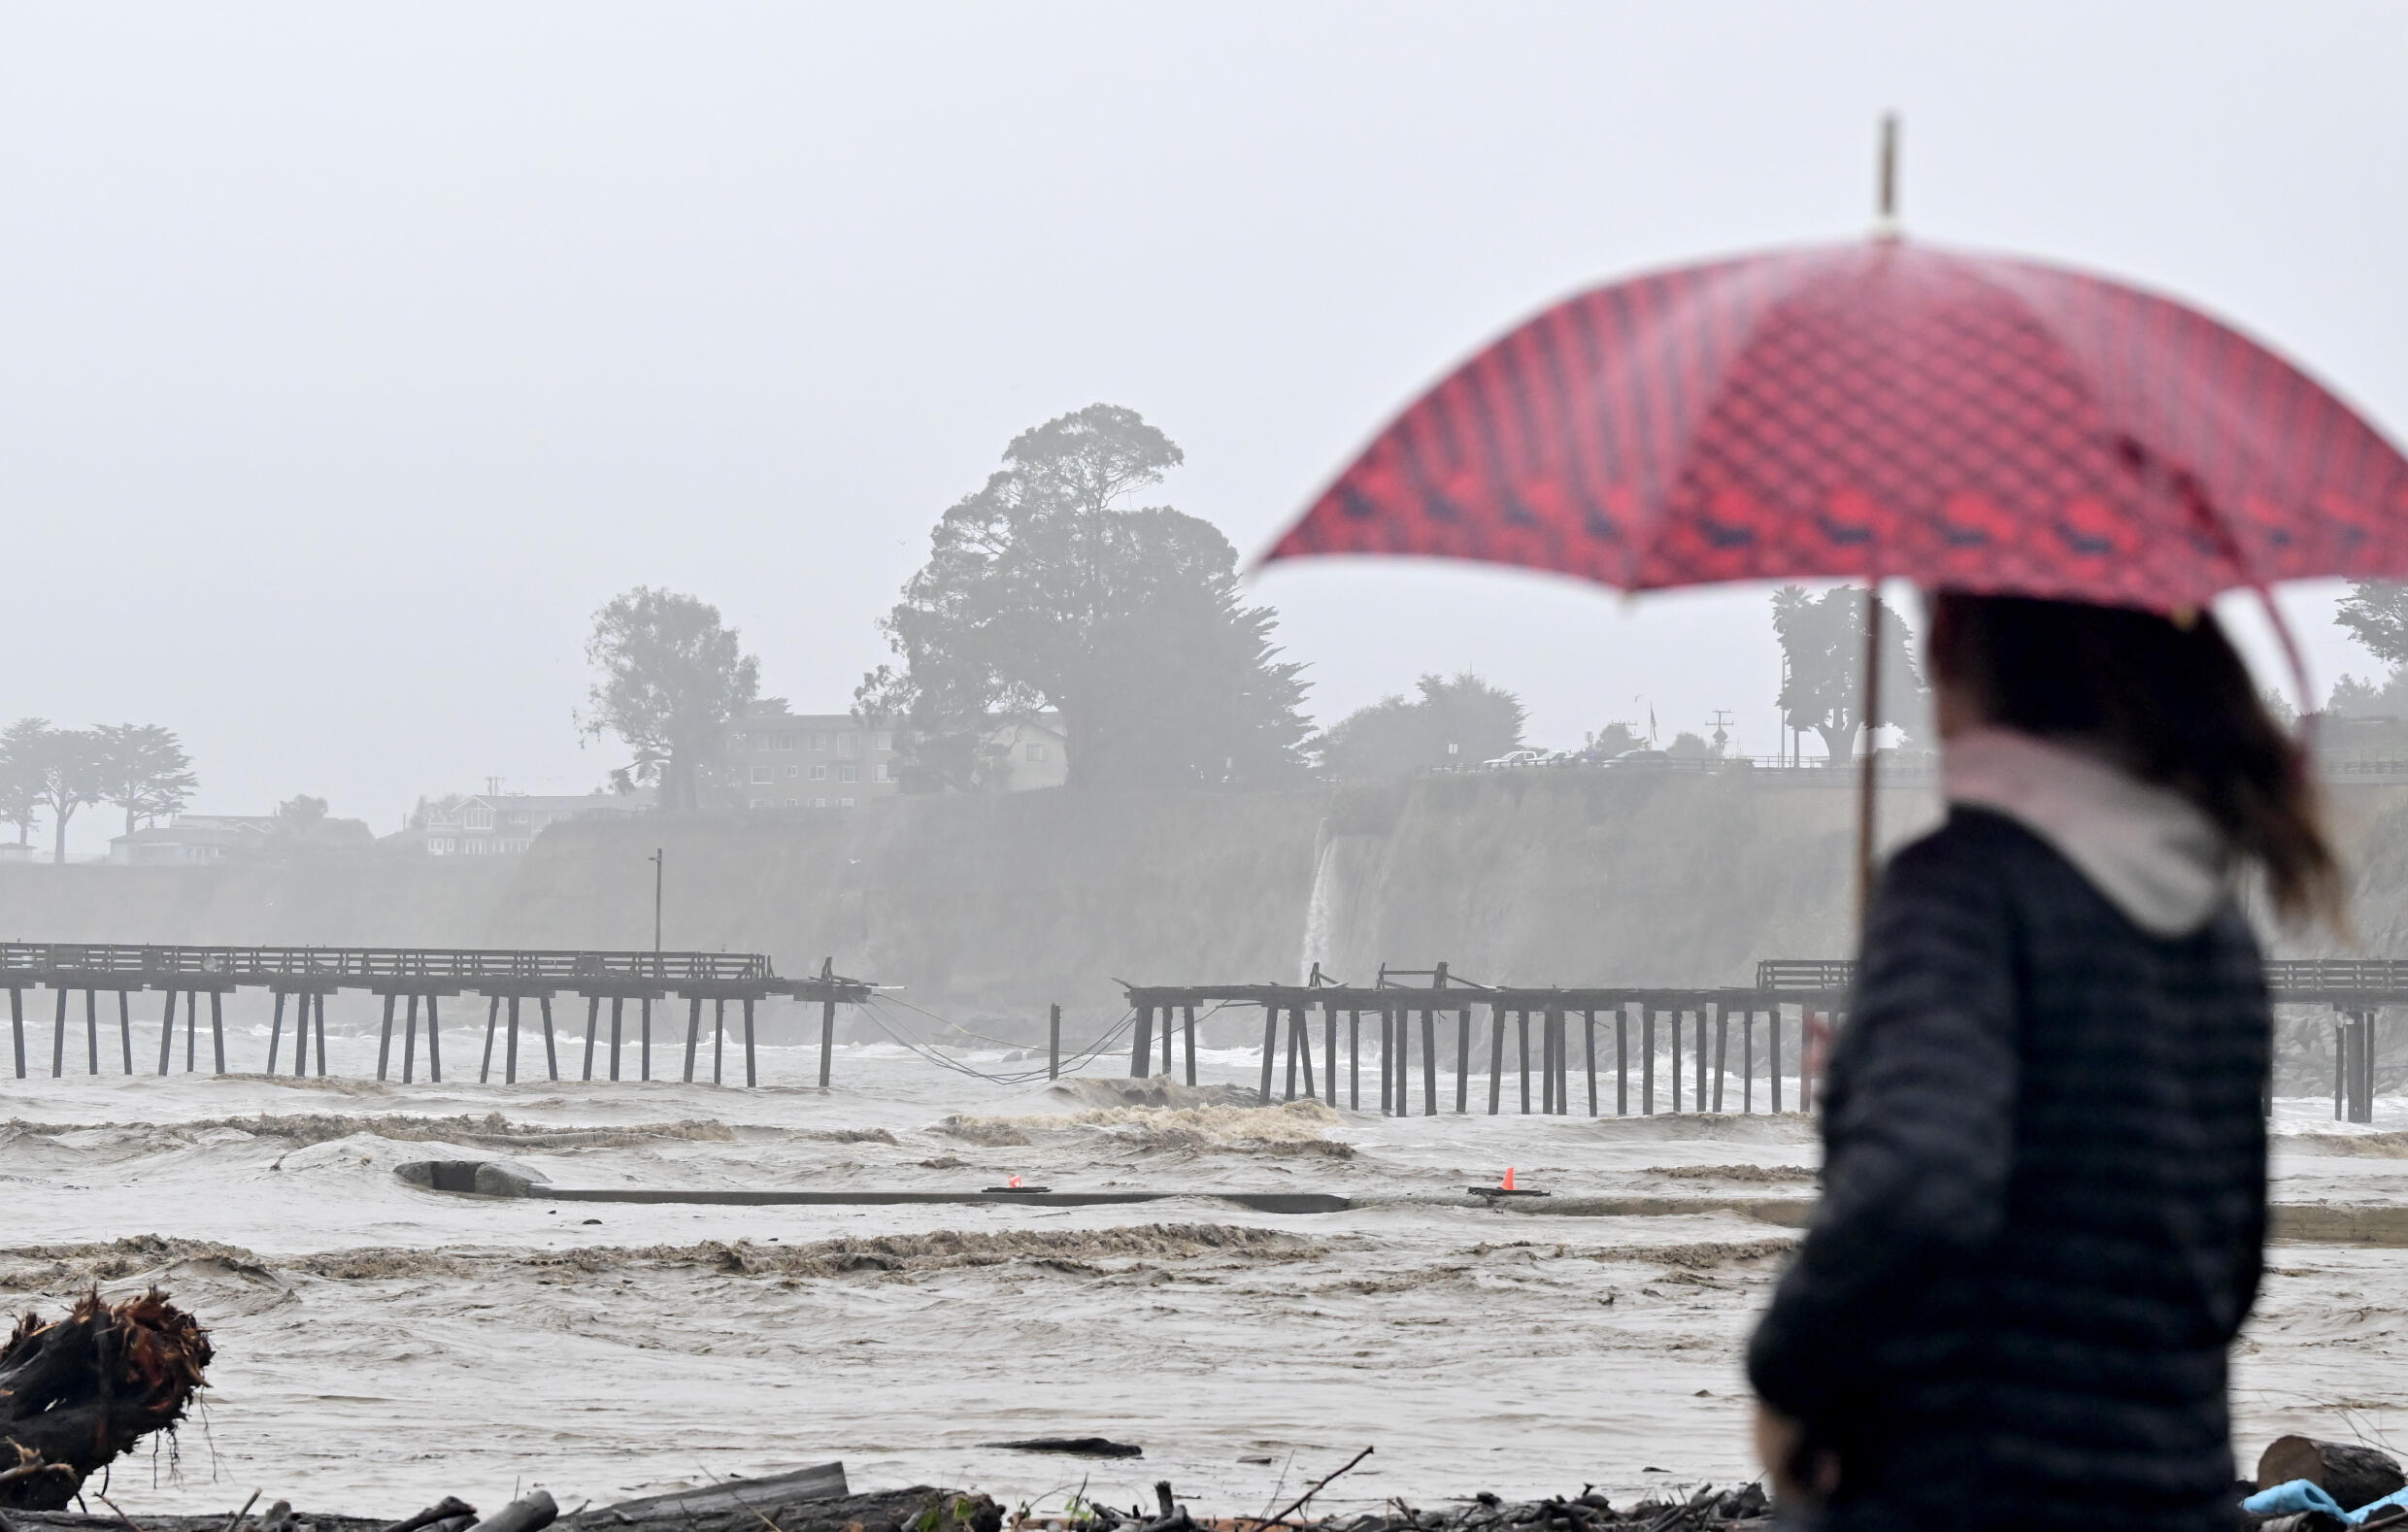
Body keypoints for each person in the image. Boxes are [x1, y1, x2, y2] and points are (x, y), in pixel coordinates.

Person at [1748, 592, 2342, 1532]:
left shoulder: (1958, 885)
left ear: (1946, 642)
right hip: (2174, 1492)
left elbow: (1915, 1185)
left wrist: (1781, 1378)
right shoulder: (2211, 928)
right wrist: (1881, 1080)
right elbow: (2220, 1271)